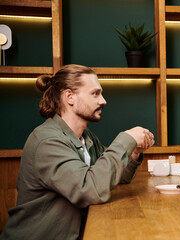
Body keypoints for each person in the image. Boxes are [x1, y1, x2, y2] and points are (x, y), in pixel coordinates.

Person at [0, 64, 154, 240]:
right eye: (95, 93)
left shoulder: (86, 137)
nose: (103, 100)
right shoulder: (47, 141)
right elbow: (90, 189)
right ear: (69, 97)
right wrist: (125, 139)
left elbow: (113, 177)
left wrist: (133, 151)